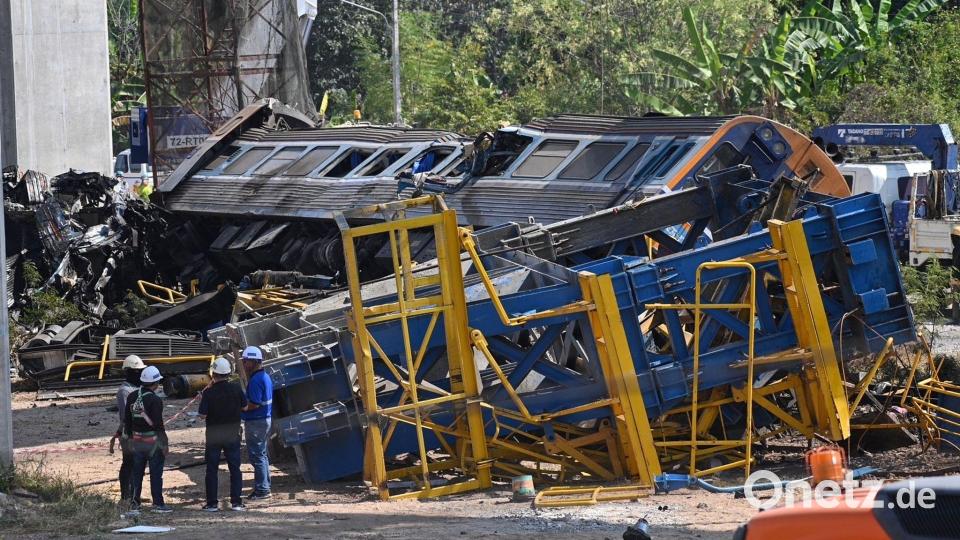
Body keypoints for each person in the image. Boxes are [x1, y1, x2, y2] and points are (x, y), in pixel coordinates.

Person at [199, 358, 247, 512]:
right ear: (228, 373)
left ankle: (212, 503)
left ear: (214, 373)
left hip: (214, 435)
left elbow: (202, 414)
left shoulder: (209, 392)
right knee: (235, 468)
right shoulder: (236, 389)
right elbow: (245, 407)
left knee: (212, 469)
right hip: (232, 434)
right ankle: (237, 502)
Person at [124, 365, 172, 514]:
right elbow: (158, 425)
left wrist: (130, 439)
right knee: (156, 474)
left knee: (136, 473)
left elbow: (127, 421)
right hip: (153, 443)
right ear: (156, 383)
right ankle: (158, 503)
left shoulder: (132, 397)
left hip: (137, 442)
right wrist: (164, 443)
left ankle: (134, 503)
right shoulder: (155, 400)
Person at [240, 346, 273, 500]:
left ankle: (262, 490)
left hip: (256, 422)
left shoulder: (256, 380)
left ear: (253, 361)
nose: (244, 364)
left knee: (257, 456)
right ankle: (265, 487)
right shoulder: (264, 376)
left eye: (246, 361)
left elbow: (255, 403)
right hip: (264, 420)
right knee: (262, 455)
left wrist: (242, 408)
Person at [111, 355, 145, 504]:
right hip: (129, 433)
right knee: (129, 464)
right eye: (137, 372)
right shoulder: (125, 391)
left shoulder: (139, 388)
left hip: (140, 432)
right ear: (129, 372)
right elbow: (127, 416)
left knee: (138, 465)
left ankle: (134, 494)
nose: (140, 375)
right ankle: (126, 496)